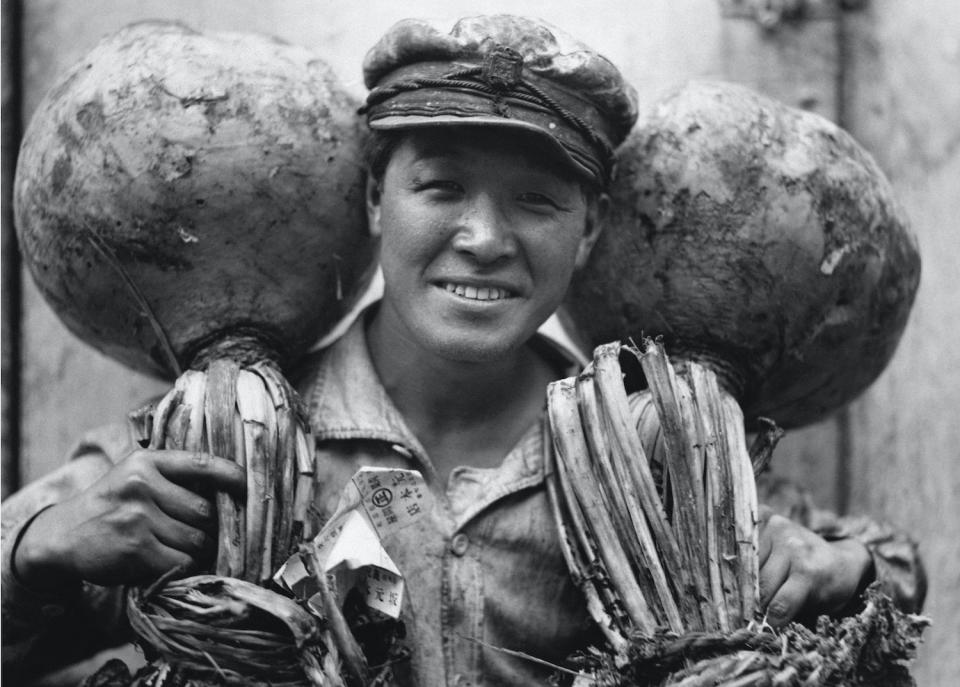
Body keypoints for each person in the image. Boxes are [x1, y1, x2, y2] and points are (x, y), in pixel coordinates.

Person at [2, 14, 925, 687]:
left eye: (537, 200)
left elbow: (878, 566)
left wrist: (846, 572)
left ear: (593, 228)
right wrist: (43, 549)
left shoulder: (651, 462)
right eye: (440, 186)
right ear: (374, 198)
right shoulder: (219, 442)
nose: (483, 237)